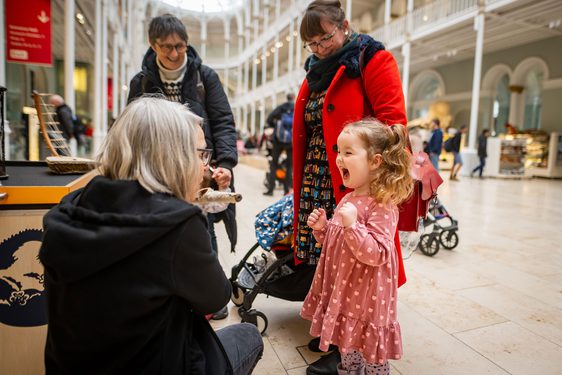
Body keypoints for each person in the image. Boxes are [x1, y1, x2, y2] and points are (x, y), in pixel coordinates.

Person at [39, 97, 263, 375]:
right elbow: (217, 297)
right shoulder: (176, 224)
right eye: (200, 153)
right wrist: (192, 209)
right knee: (247, 336)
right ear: (171, 156)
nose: (205, 165)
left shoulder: (70, 207)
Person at [293, 2, 410, 373]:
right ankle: (336, 329)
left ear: (345, 25)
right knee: (330, 256)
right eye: (311, 43)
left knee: (357, 261)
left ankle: (351, 343)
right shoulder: (314, 71)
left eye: (325, 37)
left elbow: (393, 123)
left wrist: (381, 176)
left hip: (356, 171)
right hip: (323, 170)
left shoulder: (371, 59)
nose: (319, 48)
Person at [127, 13, 237, 320]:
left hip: (200, 168)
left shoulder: (206, 76)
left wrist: (225, 163)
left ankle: (211, 297)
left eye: (180, 46)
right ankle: (171, 296)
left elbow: (223, 121)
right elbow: (132, 129)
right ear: (153, 45)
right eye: (166, 47)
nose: (175, 54)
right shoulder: (142, 81)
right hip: (157, 173)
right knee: (161, 232)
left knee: (201, 230)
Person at [302, 120, 412, 375]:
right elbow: (338, 242)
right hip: (345, 292)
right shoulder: (349, 199)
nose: (339, 159)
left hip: (367, 299)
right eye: (338, 151)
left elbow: (379, 253)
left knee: (371, 353)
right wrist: (322, 229)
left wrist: (353, 225)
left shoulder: (382, 204)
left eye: (348, 152)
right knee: (347, 347)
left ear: (375, 161)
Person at [264, 93, 295, 195]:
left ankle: (270, 189)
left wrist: (276, 126)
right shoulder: (296, 107)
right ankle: (286, 190)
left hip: (278, 140)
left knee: (274, 164)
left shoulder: (281, 108)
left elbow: (269, 119)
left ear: (287, 98)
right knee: (290, 166)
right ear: (294, 98)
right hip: (291, 141)